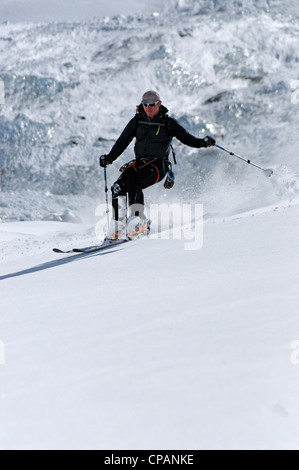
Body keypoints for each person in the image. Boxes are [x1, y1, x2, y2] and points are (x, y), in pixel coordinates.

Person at [100, 90, 215, 238]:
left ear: (159, 104)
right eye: (145, 104)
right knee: (117, 187)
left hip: (158, 166)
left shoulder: (168, 123)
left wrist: (203, 143)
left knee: (133, 182)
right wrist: (109, 158)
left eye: (151, 104)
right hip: (140, 164)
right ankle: (119, 226)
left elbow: (188, 139)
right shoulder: (137, 121)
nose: (148, 107)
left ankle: (138, 223)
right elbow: (123, 141)